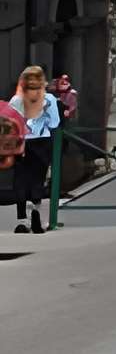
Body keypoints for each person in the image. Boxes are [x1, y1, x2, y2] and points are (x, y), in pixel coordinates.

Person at [8, 67, 56, 232]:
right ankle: (36, 212)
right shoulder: (49, 99)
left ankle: (23, 220)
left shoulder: (16, 99)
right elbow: (54, 123)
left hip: (21, 141)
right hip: (42, 141)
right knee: (38, 177)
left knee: (21, 178)